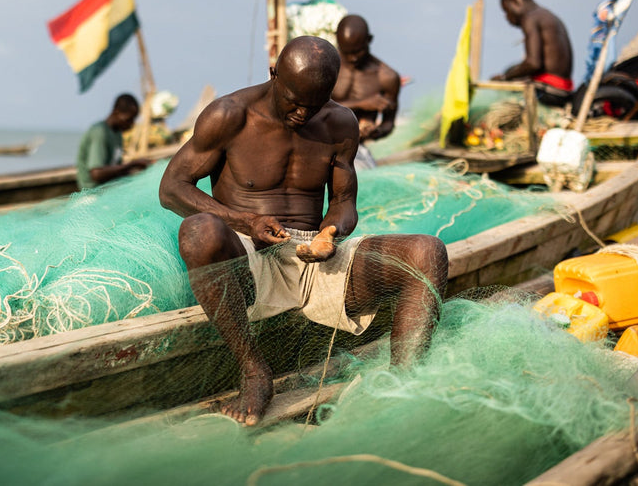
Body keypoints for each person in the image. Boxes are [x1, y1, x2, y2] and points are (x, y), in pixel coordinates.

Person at [159, 36, 448, 426]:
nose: (301, 113)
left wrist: (330, 233)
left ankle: (403, 388)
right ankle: (253, 370)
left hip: (314, 256)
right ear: (274, 73)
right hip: (248, 255)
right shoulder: (229, 115)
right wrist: (245, 221)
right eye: (293, 100)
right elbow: (172, 188)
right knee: (197, 233)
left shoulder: (340, 123)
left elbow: (344, 201)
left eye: (313, 104)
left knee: (427, 252)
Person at [330, 15, 401, 168]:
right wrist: (362, 104)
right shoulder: (327, 67)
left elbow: (389, 123)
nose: (353, 58)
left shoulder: (387, 77)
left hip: (356, 150)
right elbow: (316, 109)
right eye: (347, 52)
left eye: (358, 51)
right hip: (319, 144)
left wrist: (376, 131)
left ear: (369, 40)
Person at [492, 0, 575, 106]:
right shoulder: (547, 15)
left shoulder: (530, 18)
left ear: (516, 2)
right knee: (512, 70)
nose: (507, 17)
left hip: (550, 91)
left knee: (503, 84)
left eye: (506, 10)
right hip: (565, 89)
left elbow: (533, 63)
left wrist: (504, 78)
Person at [76, 93, 150, 190]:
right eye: (129, 119)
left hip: (108, 189)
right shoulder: (100, 132)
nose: (131, 124)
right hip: (92, 193)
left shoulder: (117, 134)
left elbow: (116, 169)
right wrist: (132, 164)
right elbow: (96, 174)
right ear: (117, 112)